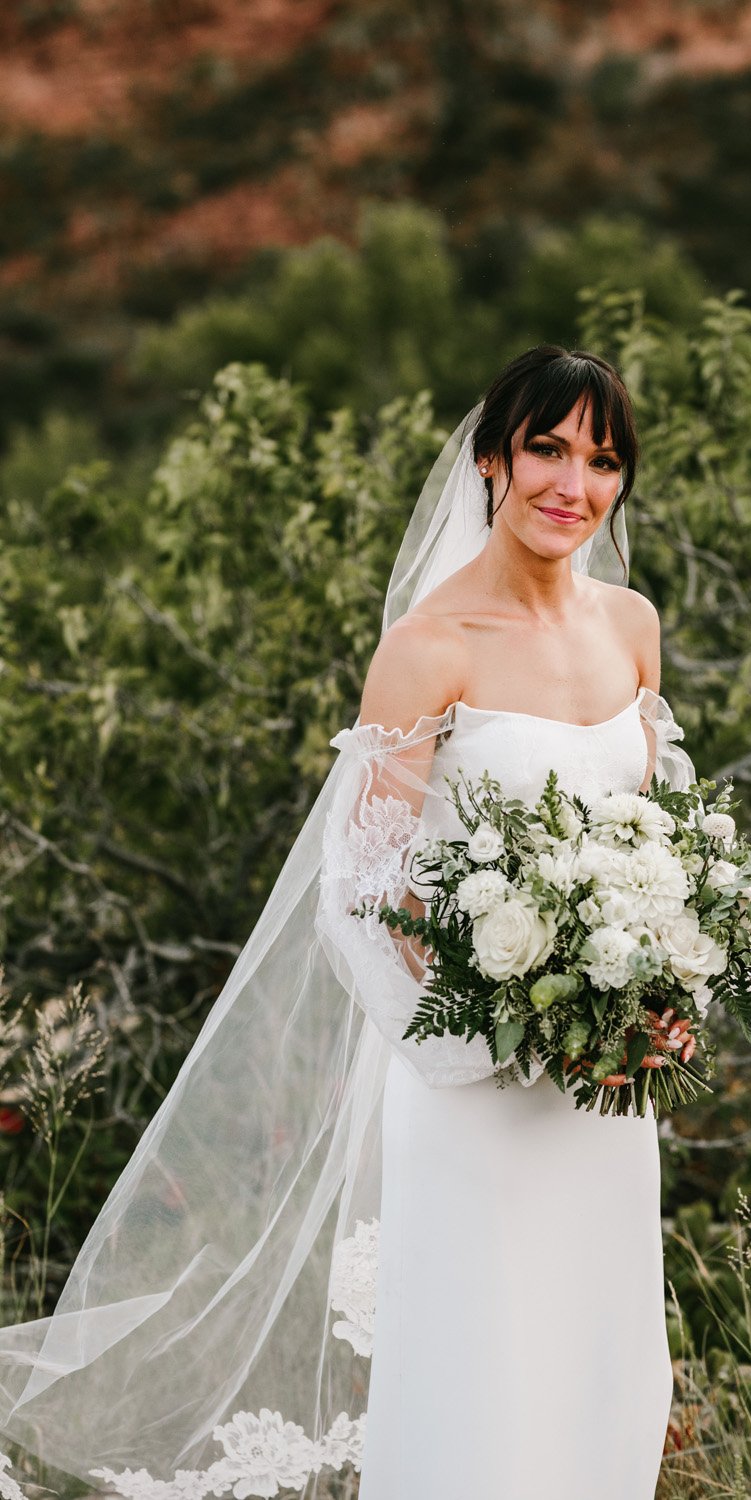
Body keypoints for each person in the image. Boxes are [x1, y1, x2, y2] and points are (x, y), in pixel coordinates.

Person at [0, 345, 696, 1500]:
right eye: (548, 448)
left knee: (599, 1365)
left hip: (604, 1090)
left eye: (603, 460)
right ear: (491, 460)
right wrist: (488, 1034)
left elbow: (661, 851)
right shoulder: (430, 646)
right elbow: (364, 892)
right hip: (475, 1084)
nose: (574, 483)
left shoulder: (631, 626)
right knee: (482, 1377)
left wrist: (663, 992)